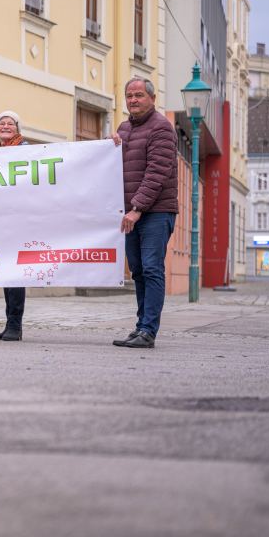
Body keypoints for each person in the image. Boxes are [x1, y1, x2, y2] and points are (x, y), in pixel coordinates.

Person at [110, 77, 178, 349]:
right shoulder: (124, 128)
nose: (133, 100)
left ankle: (149, 330)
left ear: (152, 98)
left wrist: (137, 208)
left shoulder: (162, 128)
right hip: (131, 213)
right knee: (137, 271)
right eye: (129, 95)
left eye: (139, 95)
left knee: (151, 269)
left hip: (155, 212)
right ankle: (141, 327)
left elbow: (156, 173)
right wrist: (109, 146)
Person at [0, 111, 30, 341]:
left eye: (10, 123)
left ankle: (16, 325)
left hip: (18, 218)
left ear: (17, 128)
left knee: (15, 271)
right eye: (1, 123)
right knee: (6, 271)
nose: (5, 126)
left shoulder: (26, 149)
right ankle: (9, 323)